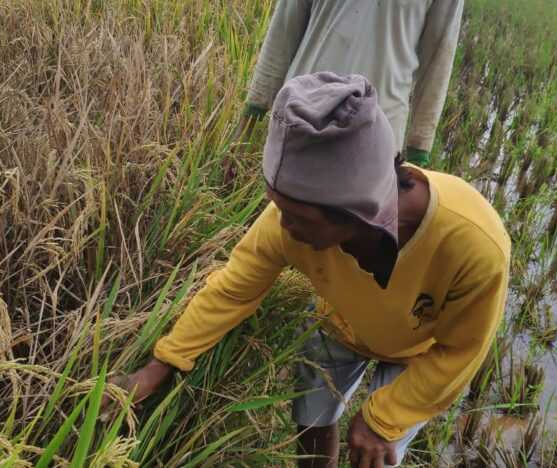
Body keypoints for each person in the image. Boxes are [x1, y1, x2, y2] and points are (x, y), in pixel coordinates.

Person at [110, 73, 509, 467]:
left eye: (297, 215)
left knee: (376, 453)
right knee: (311, 423)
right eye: (279, 206)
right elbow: (232, 290)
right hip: (338, 324)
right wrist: (162, 363)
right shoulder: (285, 223)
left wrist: (381, 420)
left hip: (418, 351)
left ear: (360, 212)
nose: (283, 226)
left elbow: (460, 349)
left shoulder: (473, 245)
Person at [233, 0, 464, 169]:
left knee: (348, 232)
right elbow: (283, 31)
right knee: (281, 224)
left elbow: (438, 60)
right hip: (300, 117)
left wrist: (418, 154)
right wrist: (247, 123)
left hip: (374, 137)